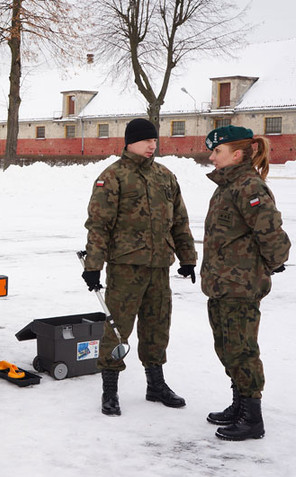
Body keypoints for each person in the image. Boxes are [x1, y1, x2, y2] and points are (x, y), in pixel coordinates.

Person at [83, 118, 197, 416]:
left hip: (159, 266)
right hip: (125, 267)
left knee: (157, 325)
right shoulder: (113, 176)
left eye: (154, 140)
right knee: (117, 328)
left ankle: (155, 384)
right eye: (146, 140)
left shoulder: (165, 176)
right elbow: (99, 225)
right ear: (130, 142)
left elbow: (180, 222)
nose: (152, 145)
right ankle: (110, 390)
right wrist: (93, 265)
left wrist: (188, 258)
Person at [201, 125, 290, 441]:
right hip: (222, 284)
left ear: (236, 154)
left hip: (240, 286)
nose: (211, 157)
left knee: (242, 350)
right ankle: (239, 403)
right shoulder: (227, 185)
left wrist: (273, 262)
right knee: (226, 346)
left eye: (217, 151)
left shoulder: (248, 187)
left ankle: (252, 418)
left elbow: (271, 234)